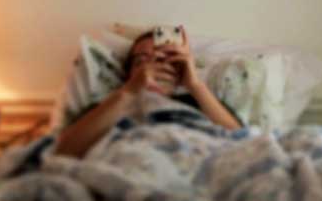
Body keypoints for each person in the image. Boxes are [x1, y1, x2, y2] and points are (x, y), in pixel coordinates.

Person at [55, 26, 242, 158]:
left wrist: (195, 85)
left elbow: (242, 142)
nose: (152, 67)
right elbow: (63, 151)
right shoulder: (109, 105)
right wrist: (129, 92)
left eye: (165, 59)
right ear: (129, 74)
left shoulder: (198, 102)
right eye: (142, 60)